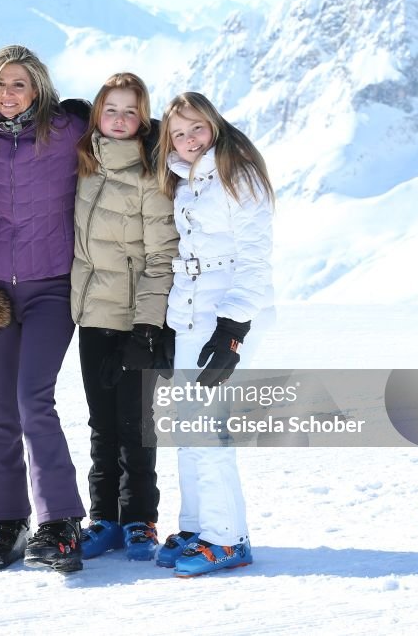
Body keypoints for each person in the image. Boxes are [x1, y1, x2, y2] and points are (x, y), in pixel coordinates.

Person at [0, 45, 89, 573]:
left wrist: (96, 108)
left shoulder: (67, 130)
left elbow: (132, 127)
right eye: (0, 84)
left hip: (50, 288)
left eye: (20, 84)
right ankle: (8, 521)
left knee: (32, 399)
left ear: (38, 87)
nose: (10, 94)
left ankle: (60, 521)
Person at [153, 92, 274, 578]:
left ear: (215, 126)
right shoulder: (186, 183)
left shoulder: (237, 176)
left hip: (226, 312)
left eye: (196, 128)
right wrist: (172, 322)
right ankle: (197, 526)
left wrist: (233, 329)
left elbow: (253, 258)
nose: (188, 140)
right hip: (191, 313)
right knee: (186, 426)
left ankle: (228, 538)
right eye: (178, 133)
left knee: (206, 426)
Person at [70, 73, 178, 562]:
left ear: (143, 119)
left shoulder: (151, 177)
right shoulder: (83, 163)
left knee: (137, 425)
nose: (119, 120)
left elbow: (162, 259)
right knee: (101, 424)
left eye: (129, 111)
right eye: (110, 110)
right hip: (93, 315)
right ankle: (104, 519)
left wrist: (147, 328)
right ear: (96, 115)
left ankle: (139, 520)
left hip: (136, 320)